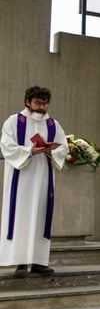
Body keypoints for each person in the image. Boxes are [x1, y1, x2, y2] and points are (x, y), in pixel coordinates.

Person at [0, 86, 68, 278]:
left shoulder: (53, 125)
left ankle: (39, 262)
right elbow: (6, 146)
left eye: (44, 103)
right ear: (27, 102)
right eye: (37, 102)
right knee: (21, 217)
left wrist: (52, 149)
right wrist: (30, 150)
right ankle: (20, 263)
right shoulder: (14, 122)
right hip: (21, 178)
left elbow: (64, 147)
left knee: (40, 217)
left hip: (44, 179)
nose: (41, 106)